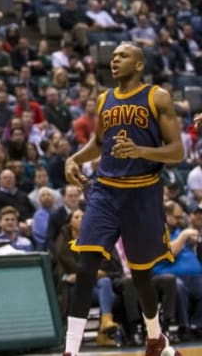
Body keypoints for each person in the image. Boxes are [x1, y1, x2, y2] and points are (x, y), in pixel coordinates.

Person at [62, 43, 184, 356]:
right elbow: (98, 144)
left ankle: (156, 338)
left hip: (142, 192)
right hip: (105, 190)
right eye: (113, 57)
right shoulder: (105, 99)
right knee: (87, 265)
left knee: (141, 277)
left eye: (123, 56)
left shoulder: (157, 97)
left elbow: (177, 151)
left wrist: (141, 151)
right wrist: (73, 159)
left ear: (139, 64)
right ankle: (70, 351)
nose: (115, 60)